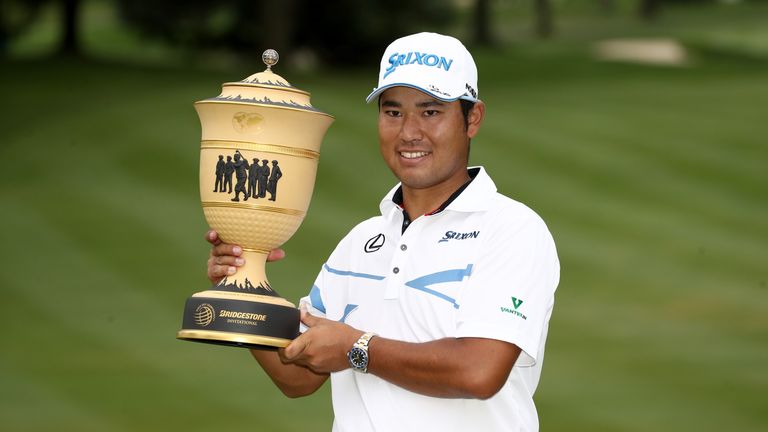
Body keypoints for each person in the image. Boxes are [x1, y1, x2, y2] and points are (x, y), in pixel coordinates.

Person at [206, 32, 559, 431]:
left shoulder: (512, 229)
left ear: (472, 118)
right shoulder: (360, 242)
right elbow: (299, 376)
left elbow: (478, 371)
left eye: (430, 112)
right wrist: (244, 283)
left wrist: (357, 348)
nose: (409, 132)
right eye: (393, 112)